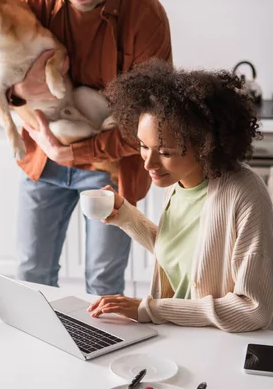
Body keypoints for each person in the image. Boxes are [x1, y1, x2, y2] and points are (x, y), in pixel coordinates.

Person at [0, 0, 172, 295]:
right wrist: (21, 91)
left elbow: (152, 125)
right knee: (31, 276)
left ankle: (99, 357)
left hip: (112, 167)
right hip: (43, 158)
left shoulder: (146, 17)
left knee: (103, 284)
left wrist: (72, 154)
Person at [87, 59, 273, 332]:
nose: (148, 164)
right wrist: (124, 214)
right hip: (178, 334)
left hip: (220, 344)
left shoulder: (244, 194)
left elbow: (252, 310)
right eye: (143, 146)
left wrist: (147, 309)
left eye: (165, 153)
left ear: (203, 146)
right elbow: (182, 252)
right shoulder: (179, 183)